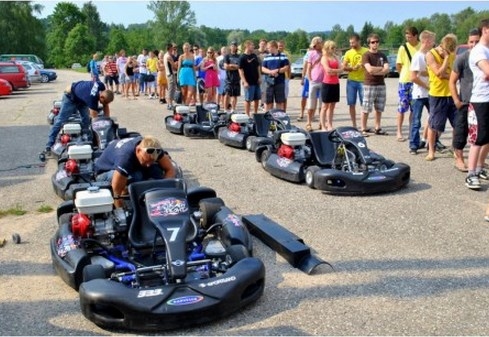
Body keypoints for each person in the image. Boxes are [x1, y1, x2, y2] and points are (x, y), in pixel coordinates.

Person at [94, 135, 176, 208]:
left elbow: (170, 169)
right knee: (137, 177)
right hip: (105, 172)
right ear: (138, 150)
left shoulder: (154, 149)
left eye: (151, 161)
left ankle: (146, 190)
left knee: (157, 170)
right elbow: (116, 193)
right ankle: (127, 195)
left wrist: (163, 190)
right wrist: (122, 212)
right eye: (146, 160)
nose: (148, 165)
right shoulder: (125, 158)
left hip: (130, 165)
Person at [43, 80, 114, 155]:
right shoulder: (92, 99)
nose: (103, 104)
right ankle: (49, 144)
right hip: (70, 97)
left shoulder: (101, 86)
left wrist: (107, 121)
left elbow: (105, 106)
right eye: (104, 102)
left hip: (81, 98)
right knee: (60, 120)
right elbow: (95, 123)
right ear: (101, 96)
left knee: (86, 120)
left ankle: (87, 139)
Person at [449, 28, 481, 171]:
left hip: (482, 101)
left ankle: (478, 161)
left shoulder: (485, 58)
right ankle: (459, 159)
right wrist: (456, 100)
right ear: (467, 42)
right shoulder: (462, 58)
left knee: (482, 132)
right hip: (465, 101)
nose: (474, 44)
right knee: (461, 130)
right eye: (471, 42)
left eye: (477, 41)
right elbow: (452, 81)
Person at [425, 33, 457, 161]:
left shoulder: (453, 54)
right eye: (448, 48)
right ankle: (431, 151)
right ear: (442, 45)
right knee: (434, 125)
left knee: (457, 125)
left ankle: (456, 150)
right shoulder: (431, 54)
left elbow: (455, 74)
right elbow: (439, 73)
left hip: (452, 94)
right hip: (437, 95)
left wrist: (450, 75)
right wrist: (446, 58)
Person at [468, 20, 489, 191]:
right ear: (485, 30)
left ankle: (480, 168)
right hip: (480, 100)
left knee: (487, 138)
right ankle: (471, 174)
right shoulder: (478, 51)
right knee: (477, 138)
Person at [408, 30, 436, 155]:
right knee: (416, 121)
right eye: (432, 40)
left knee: (434, 118)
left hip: (430, 93)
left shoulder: (430, 55)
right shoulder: (418, 56)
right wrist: (426, 85)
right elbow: (413, 77)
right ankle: (413, 145)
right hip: (419, 94)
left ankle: (432, 142)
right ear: (426, 41)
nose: (434, 43)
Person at [360, 34, 389, 136]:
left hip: (381, 84)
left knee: (379, 107)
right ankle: (363, 128)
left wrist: (377, 70)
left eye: (377, 41)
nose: (375, 43)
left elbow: (387, 69)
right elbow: (369, 70)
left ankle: (377, 127)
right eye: (373, 42)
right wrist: (380, 68)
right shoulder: (366, 55)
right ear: (369, 44)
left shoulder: (382, 55)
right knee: (366, 107)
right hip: (370, 84)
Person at [395, 27, 420, 142]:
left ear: (416, 36)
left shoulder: (421, 47)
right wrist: (403, 75)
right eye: (406, 36)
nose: (408, 38)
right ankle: (399, 131)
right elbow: (398, 65)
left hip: (417, 81)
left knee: (414, 108)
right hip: (405, 81)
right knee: (402, 107)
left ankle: (411, 131)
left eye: (410, 36)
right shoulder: (403, 48)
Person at [342, 33, 369, 128]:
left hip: (363, 80)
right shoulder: (348, 53)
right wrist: (351, 68)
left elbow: (371, 63)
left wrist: (363, 65)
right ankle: (354, 124)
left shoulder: (366, 51)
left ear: (358, 41)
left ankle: (363, 125)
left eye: (353, 42)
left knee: (364, 104)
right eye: (350, 43)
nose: (351, 45)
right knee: (351, 103)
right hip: (351, 81)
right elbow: (343, 66)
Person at [319, 40, 343, 131]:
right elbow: (328, 70)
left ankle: (329, 124)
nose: (333, 49)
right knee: (325, 106)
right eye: (332, 48)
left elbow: (342, 69)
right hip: (327, 83)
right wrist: (337, 71)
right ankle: (323, 126)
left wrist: (335, 71)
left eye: (334, 48)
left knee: (332, 106)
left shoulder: (335, 57)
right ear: (327, 48)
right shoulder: (324, 58)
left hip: (335, 83)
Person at [261, 40, 290, 111]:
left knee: (279, 102)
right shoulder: (266, 57)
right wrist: (270, 72)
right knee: (268, 102)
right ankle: (267, 119)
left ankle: (278, 119)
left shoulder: (283, 56)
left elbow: (286, 67)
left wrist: (278, 70)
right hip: (268, 82)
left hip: (279, 82)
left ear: (273, 47)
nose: (267, 49)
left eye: (268, 48)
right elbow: (263, 68)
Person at [306, 36, 324, 131]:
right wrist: (309, 78)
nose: (316, 45)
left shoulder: (325, 53)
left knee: (322, 105)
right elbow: (309, 66)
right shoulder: (311, 53)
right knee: (311, 104)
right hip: (314, 81)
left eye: (318, 43)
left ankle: (321, 122)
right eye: (315, 44)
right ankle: (309, 123)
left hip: (323, 81)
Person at [238, 40, 261, 115]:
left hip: (256, 81)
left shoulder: (254, 56)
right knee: (248, 99)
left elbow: (258, 67)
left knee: (257, 98)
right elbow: (240, 70)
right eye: (252, 45)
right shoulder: (242, 57)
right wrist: (244, 81)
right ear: (247, 46)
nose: (253, 47)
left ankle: (255, 114)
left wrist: (259, 77)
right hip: (248, 82)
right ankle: (247, 115)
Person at [224, 41, 241, 112]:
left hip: (237, 78)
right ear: (230, 47)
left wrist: (231, 65)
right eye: (232, 46)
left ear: (236, 47)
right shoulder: (227, 56)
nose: (233, 47)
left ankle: (233, 109)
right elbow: (226, 67)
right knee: (227, 94)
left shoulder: (239, 56)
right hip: (228, 78)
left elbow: (240, 66)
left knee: (235, 95)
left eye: (234, 46)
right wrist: (234, 67)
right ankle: (225, 109)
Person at [278, 40, 292, 111]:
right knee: (277, 97)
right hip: (276, 78)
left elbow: (289, 67)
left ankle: (284, 111)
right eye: (279, 45)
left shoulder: (287, 54)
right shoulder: (274, 53)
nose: (280, 47)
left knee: (285, 96)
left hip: (285, 78)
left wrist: (289, 77)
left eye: (282, 45)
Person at [164, 43, 177, 109]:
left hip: (168, 74)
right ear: (170, 48)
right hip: (170, 74)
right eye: (172, 48)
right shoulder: (168, 56)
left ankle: (170, 103)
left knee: (171, 89)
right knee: (171, 89)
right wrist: (176, 64)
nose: (173, 49)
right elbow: (174, 66)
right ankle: (169, 104)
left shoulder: (166, 55)